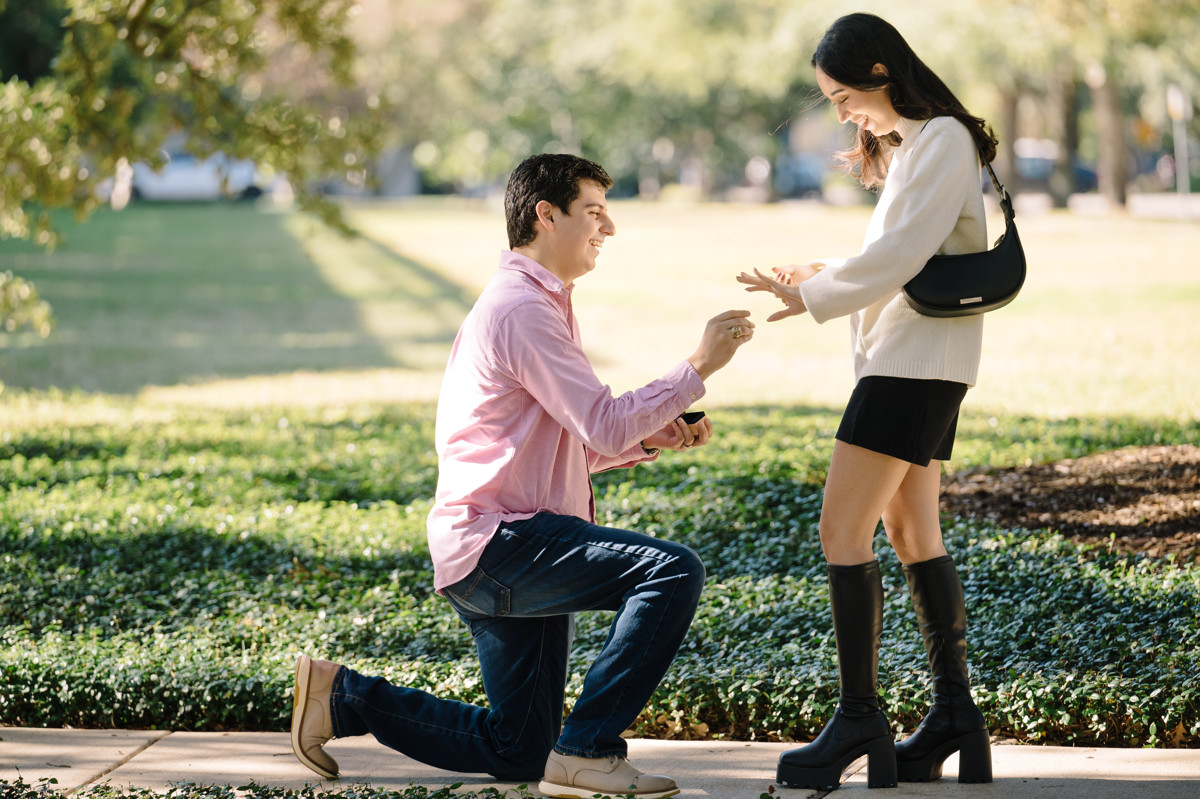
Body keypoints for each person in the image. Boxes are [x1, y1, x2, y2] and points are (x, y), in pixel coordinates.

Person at [292, 153, 755, 799]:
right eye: (594, 211)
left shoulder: (537, 303)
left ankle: (341, 697)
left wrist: (652, 434)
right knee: (670, 570)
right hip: (502, 542)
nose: (609, 227)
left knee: (519, 749)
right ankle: (590, 749)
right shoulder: (521, 309)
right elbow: (600, 421)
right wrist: (700, 363)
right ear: (546, 214)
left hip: (500, 543)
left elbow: (570, 441)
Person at [737, 12, 995, 792]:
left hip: (912, 367)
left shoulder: (943, 139)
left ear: (882, 70)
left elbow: (903, 253)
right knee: (910, 528)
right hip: (921, 363)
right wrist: (824, 267)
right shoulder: (924, 145)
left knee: (840, 528)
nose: (843, 113)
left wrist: (810, 292)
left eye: (844, 95)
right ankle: (954, 715)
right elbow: (905, 248)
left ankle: (858, 719)